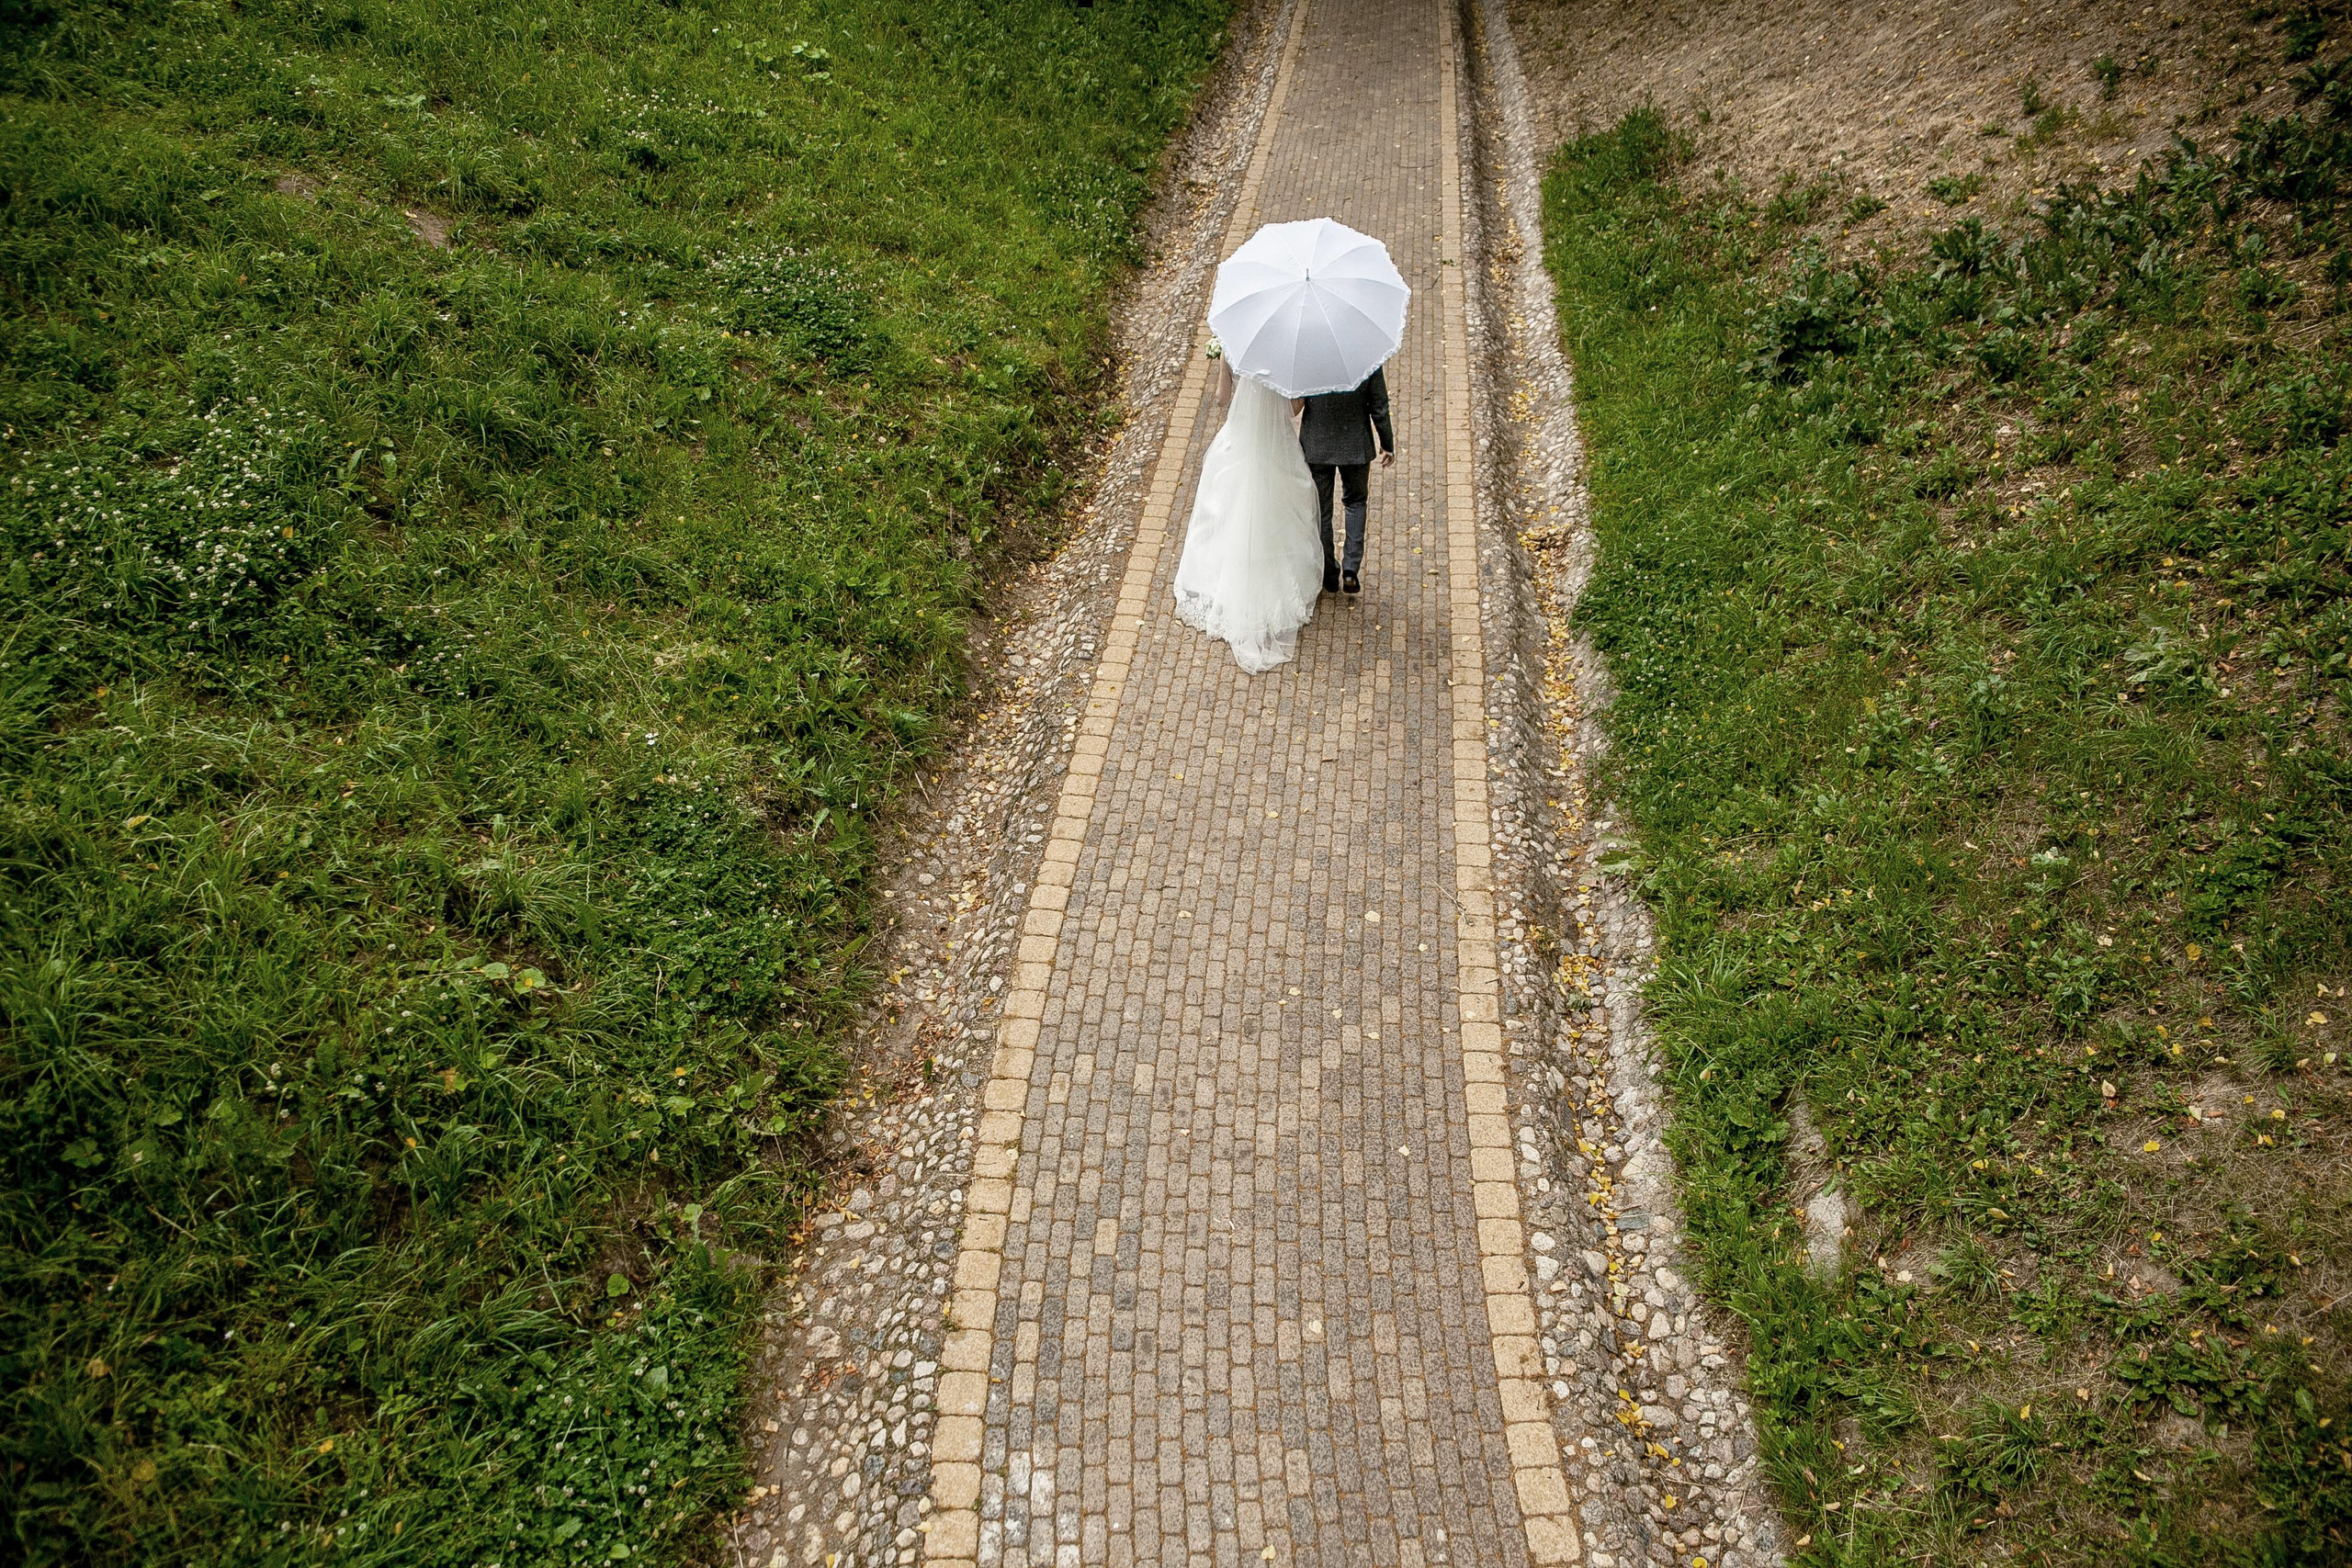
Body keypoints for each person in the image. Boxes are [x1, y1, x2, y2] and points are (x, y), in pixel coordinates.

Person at [1170, 359, 1325, 674]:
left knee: (1227, 506)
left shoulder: (1233, 348)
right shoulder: (1284, 356)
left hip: (1238, 440)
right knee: (1278, 507)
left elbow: (1221, 399)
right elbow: (1294, 408)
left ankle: (1225, 581)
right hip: (1275, 444)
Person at [1295, 367, 1395, 596]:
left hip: (1317, 445)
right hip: (1356, 444)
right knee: (1356, 502)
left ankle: (1329, 573)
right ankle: (1351, 569)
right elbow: (1379, 406)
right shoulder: (1367, 358)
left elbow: (1296, 403)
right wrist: (1387, 442)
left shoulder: (1309, 358)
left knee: (1321, 511)